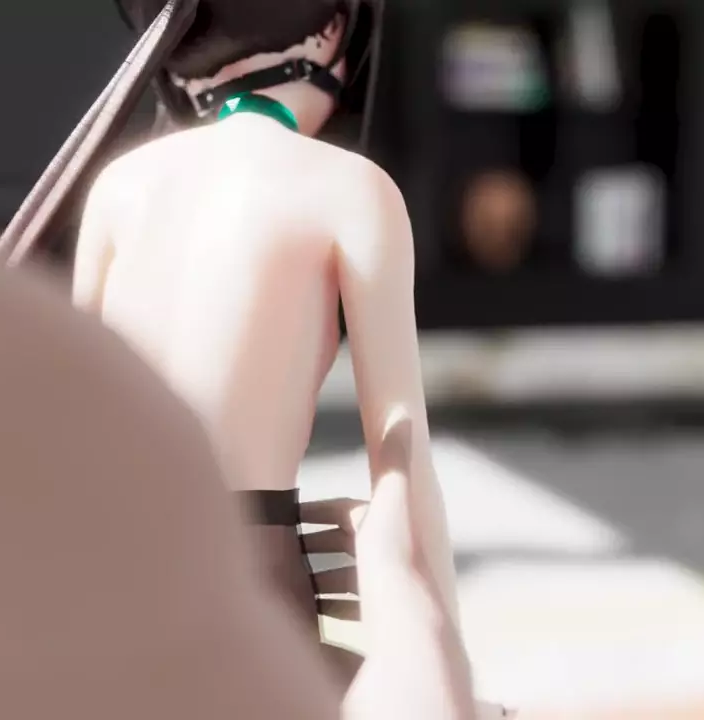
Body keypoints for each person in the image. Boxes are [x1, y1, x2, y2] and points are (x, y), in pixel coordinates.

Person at [0, 227, 476, 719]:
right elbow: (398, 437)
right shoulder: (350, 189)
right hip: (217, 533)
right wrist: (413, 608)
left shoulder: (121, 188)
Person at [56, 0, 464, 673]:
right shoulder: (353, 189)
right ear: (332, 29)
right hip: (252, 581)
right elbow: (402, 456)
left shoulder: (117, 187)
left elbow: (77, 435)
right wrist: (446, 670)